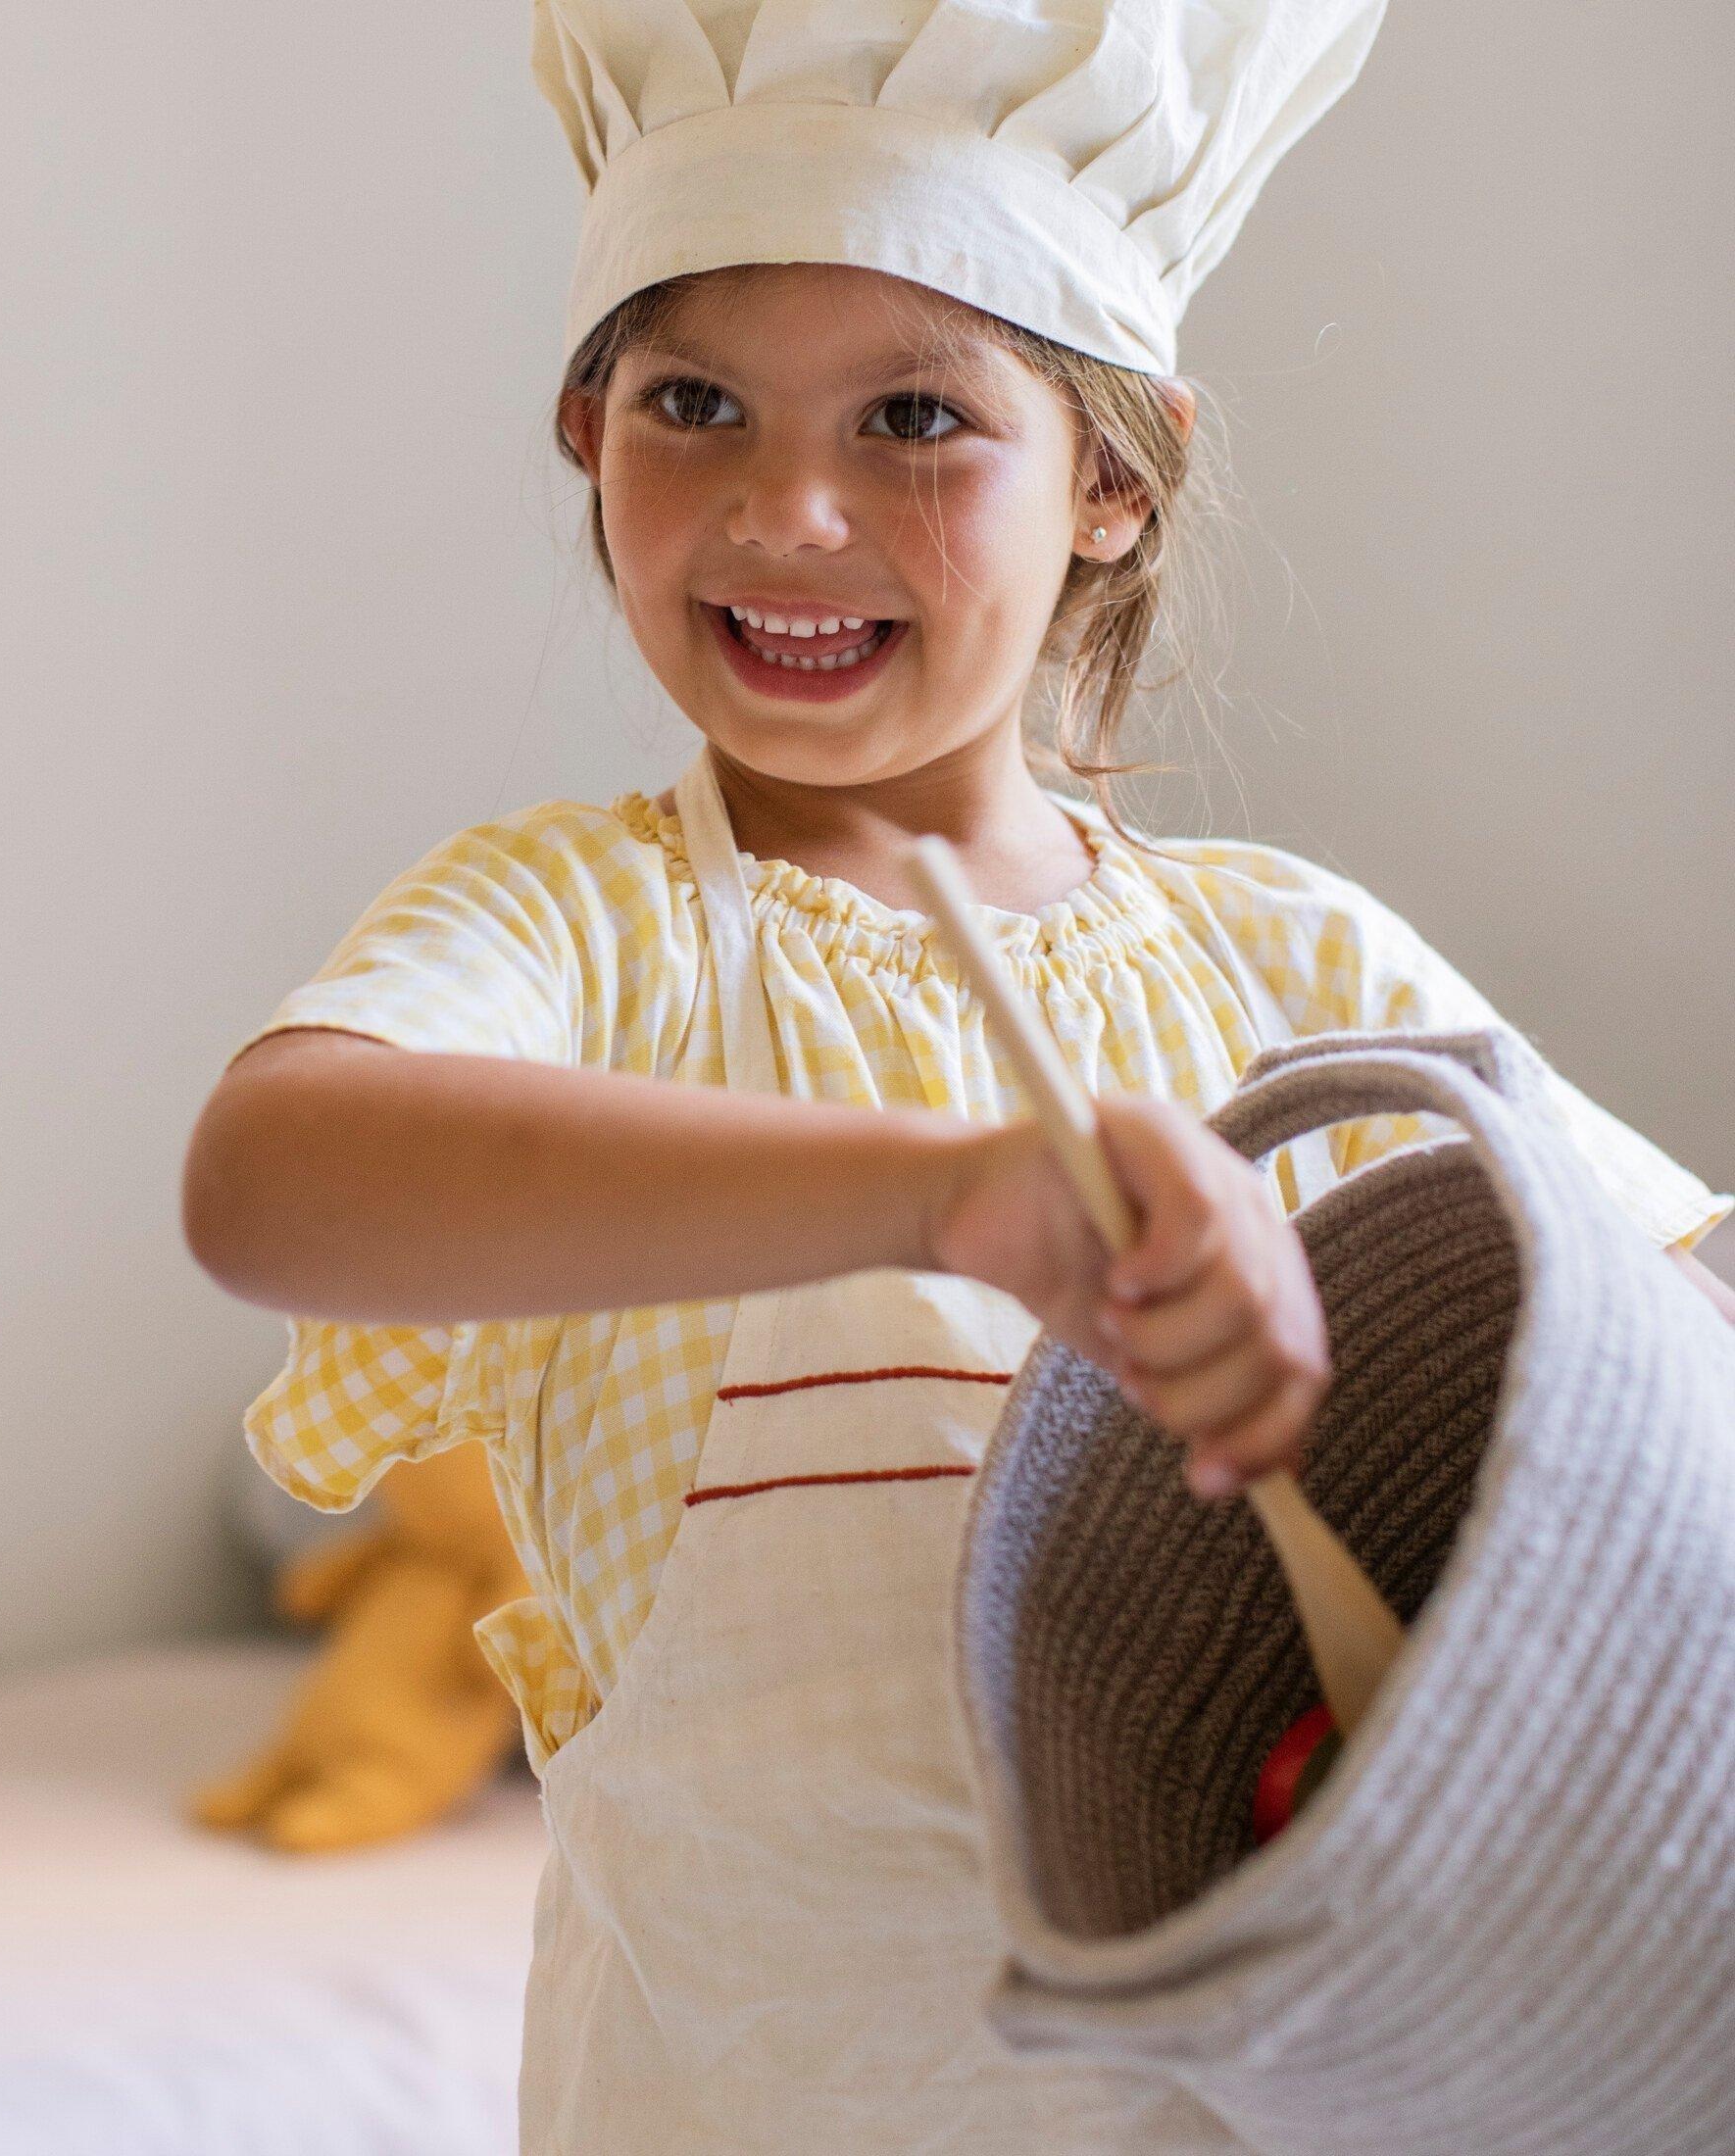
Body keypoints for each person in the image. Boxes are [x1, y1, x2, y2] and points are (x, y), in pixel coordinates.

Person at [183, 3, 1735, 2146]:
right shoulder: (584, 930)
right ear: (586, 432)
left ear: (1114, 478)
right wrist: (940, 1189)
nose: (786, 507)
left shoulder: (1292, 964)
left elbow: (1679, 1318)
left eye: (913, 415)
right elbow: (270, 1181)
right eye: (694, 403)